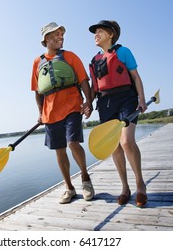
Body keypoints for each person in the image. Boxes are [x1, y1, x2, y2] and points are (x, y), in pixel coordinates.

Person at [31, 22, 95, 204]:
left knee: (73, 143)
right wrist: (40, 113)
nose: (61, 37)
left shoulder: (70, 56)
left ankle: (85, 179)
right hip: (50, 113)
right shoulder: (37, 62)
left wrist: (88, 101)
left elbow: (83, 81)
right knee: (59, 151)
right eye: (56, 34)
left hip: (72, 107)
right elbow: (37, 91)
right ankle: (69, 188)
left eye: (62, 34)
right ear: (46, 39)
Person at [88, 20, 148, 207]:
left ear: (111, 34)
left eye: (99, 31)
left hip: (126, 99)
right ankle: (125, 188)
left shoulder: (123, 51)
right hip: (105, 103)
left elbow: (136, 76)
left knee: (126, 141)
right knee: (115, 146)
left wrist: (142, 99)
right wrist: (88, 104)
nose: (95, 35)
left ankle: (140, 185)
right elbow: (93, 87)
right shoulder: (94, 60)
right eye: (94, 32)